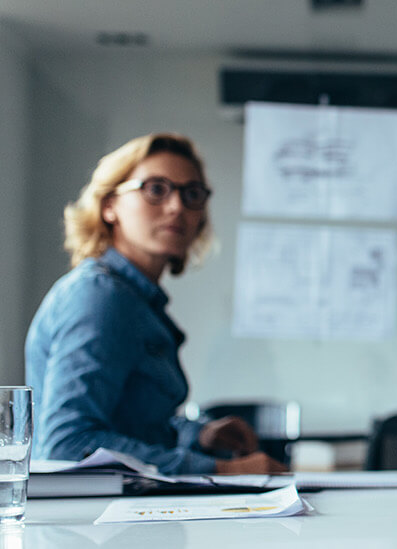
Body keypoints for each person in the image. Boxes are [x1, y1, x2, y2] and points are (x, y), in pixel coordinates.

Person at [26, 133, 287, 475]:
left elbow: (130, 428)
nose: (177, 206)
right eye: (155, 189)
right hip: (96, 522)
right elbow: (68, 445)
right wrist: (221, 470)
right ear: (109, 205)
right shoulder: (100, 296)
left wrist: (201, 435)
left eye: (192, 194)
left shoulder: (136, 301)